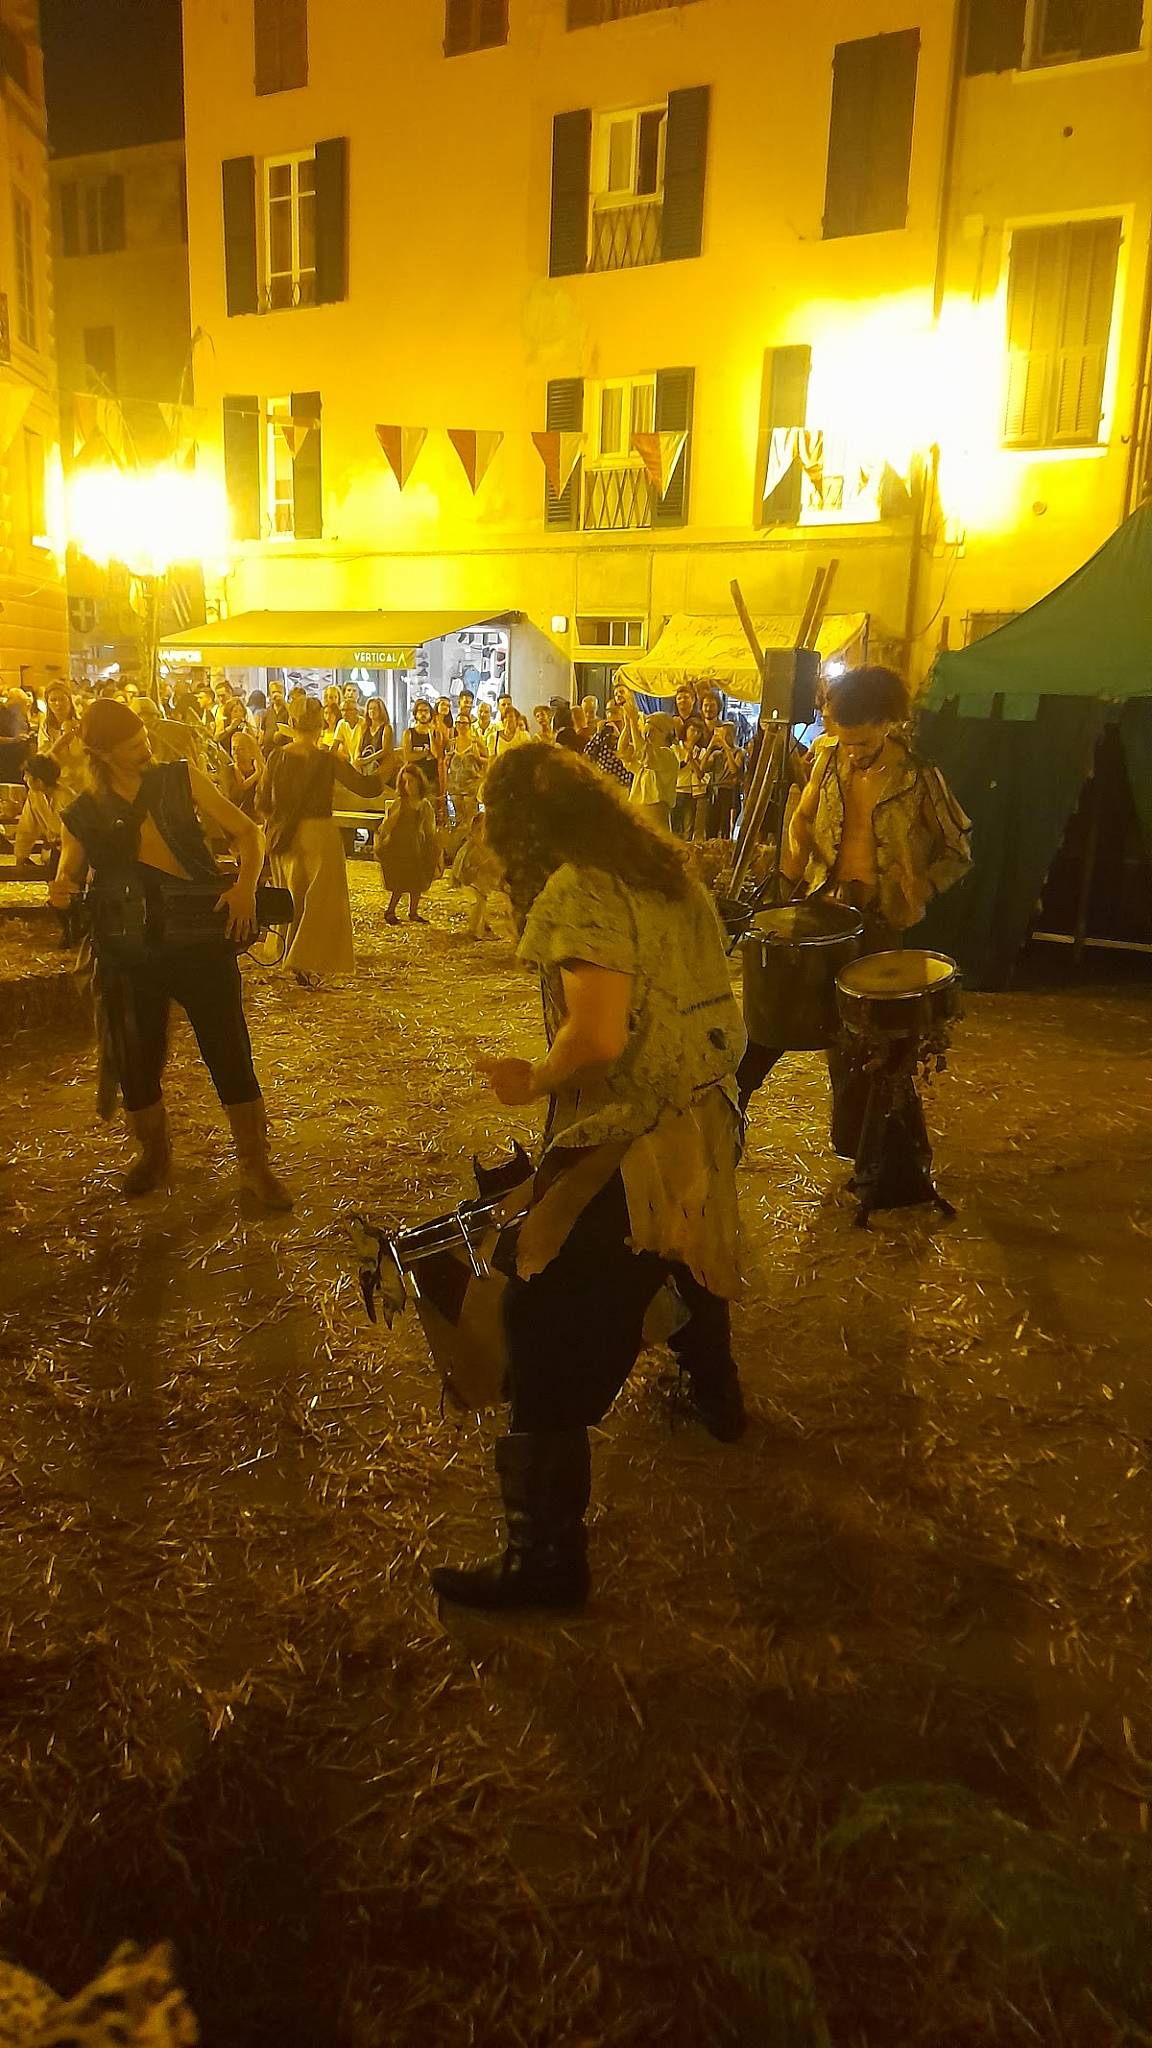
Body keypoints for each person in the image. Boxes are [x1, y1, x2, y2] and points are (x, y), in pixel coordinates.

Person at [430, 745, 747, 1614]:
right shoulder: (665, 869)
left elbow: (600, 1038)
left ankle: (546, 1566)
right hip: (701, 1116)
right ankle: (720, 1399)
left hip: (631, 1137)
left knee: (544, 1319)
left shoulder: (581, 888)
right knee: (682, 1250)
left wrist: (531, 1078)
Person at [49, 699, 293, 1207]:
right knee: (135, 1060)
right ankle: (154, 1156)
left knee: (228, 1050)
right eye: (134, 746)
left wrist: (246, 887)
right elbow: (70, 869)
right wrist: (62, 886)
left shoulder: (181, 778)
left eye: (145, 740)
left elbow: (248, 833)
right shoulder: (82, 810)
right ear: (103, 752)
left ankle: (254, 1166)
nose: (146, 751)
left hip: (197, 938)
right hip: (128, 949)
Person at [737, 666, 973, 1128]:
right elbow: (802, 819)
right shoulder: (827, 762)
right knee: (773, 1020)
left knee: (871, 1049)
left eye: (862, 743)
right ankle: (727, 1110)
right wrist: (789, 876)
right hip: (822, 908)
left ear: (888, 723)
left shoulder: (920, 777)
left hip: (881, 922)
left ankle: (876, 1160)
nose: (854, 753)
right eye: (845, 742)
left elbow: (958, 850)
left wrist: (921, 887)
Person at [258, 693, 385, 983]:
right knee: (322, 901)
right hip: (321, 833)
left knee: (291, 896)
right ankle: (304, 959)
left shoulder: (276, 757)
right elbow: (366, 788)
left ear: (291, 722)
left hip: (285, 835)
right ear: (321, 726)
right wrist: (389, 767)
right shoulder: (327, 759)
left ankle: (286, 953)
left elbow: (263, 802)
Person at [376, 763, 438, 925]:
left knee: (416, 881)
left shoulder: (424, 805)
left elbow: (429, 828)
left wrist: (434, 849)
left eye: (411, 782)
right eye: (404, 782)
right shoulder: (400, 804)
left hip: (416, 847)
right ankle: (390, 910)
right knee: (400, 882)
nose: (408, 786)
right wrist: (381, 841)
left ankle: (413, 911)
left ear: (418, 782)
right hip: (400, 847)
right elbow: (387, 825)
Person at [618, 701, 678, 831]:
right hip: (638, 809)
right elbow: (622, 752)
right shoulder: (647, 759)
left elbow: (643, 753)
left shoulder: (668, 756)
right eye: (645, 732)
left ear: (664, 733)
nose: (646, 736)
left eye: (651, 731)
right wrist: (628, 726)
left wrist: (634, 722)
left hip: (656, 811)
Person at [452, 808, 503, 938]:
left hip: (482, 884)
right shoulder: (470, 849)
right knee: (478, 902)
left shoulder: (487, 848)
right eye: (479, 830)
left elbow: (494, 866)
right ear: (473, 831)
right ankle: (473, 931)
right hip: (471, 883)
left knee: (482, 901)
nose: (482, 834)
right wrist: (475, 870)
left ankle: (484, 927)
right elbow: (462, 869)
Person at [699, 689, 741, 838]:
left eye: (728, 733)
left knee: (725, 829)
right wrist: (711, 746)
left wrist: (727, 748)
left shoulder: (738, 752)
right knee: (710, 826)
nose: (725, 736)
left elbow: (734, 769)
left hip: (729, 794)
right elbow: (702, 769)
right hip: (714, 792)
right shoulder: (716, 753)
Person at [13, 753, 62, 868]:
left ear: (39, 781)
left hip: (71, 852)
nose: (24, 779)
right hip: (52, 852)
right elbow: (26, 829)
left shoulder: (67, 798)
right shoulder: (34, 796)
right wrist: (20, 859)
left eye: (27, 775)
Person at [445, 710, 487, 825]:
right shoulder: (452, 743)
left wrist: (478, 758)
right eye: (459, 723)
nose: (461, 726)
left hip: (471, 786)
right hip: (455, 786)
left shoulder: (476, 742)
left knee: (471, 819)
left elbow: (489, 760)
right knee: (458, 819)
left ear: (469, 725)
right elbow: (445, 763)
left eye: (464, 723)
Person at [672, 716, 709, 840]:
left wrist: (692, 758)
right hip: (677, 790)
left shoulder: (701, 751)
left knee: (689, 826)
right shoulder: (675, 748)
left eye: (699, 732)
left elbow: (700, 773)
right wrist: (687, 755)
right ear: (686, 730)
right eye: (692, 730)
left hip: (691, 792)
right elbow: (677, 768)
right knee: (675, 826)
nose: (695, 734)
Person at [402, 696, 440, 800]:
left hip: (431, 778)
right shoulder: (408, 733)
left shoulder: (435, 733)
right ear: (415, 713)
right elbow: (408, 756)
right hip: (414, 779)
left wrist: (430, 734)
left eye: (426, 711)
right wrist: (424, 754)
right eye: (420, 711)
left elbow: (436, 754)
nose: (423, 714)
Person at [225, 727, 265, 818]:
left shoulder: (258, 766)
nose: (236, 753)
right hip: (238, 817)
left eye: (241, 749)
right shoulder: (229, 770)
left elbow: (264, 795)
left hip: (257, 817)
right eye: (233, 749)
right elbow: (236, 794)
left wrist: (258, 773)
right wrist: (256, 775)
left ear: (250, 751)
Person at [357, 696, 395, 778]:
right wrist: (358, 760)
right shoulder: (364, 728)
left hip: (381, 765)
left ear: (381, 710)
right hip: (365, 765)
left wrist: (367, 760)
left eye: (375, 708)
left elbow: (385, 750)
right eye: (370, 709)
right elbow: (359, 748)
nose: (372, 711)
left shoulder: (386, 728)